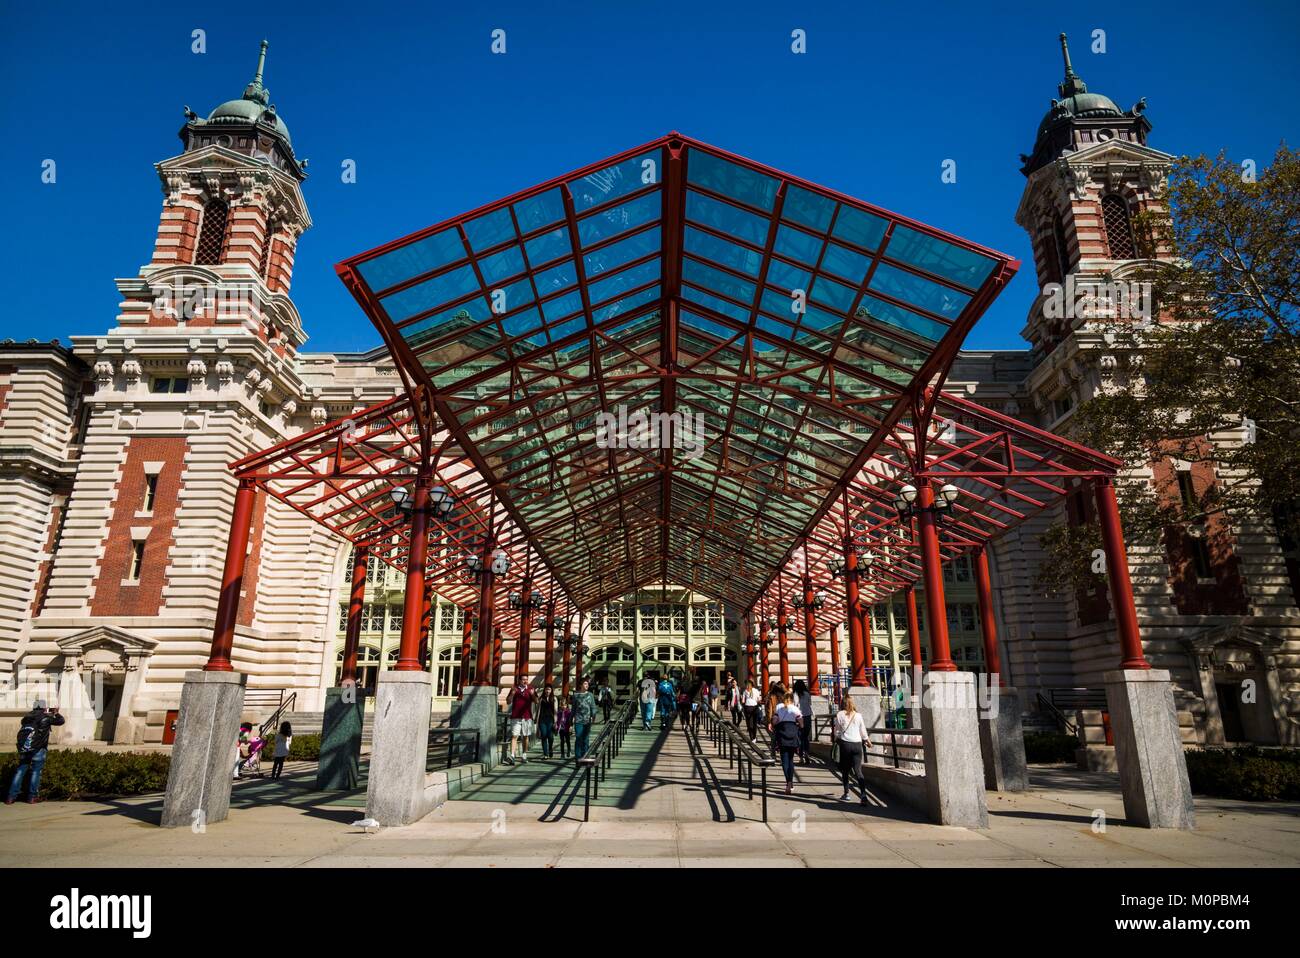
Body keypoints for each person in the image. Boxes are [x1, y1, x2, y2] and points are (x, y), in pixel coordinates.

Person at [6, 699, 65, 805]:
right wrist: (56, 713)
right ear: (43, 707)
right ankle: (32, 797)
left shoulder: (26, 718)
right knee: (36, 772)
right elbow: (61, 721)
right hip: (38, 748)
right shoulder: (46, 718)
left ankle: (10, 797)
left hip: (25, 748)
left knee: (20, 771)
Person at [833, 696, 870, 803]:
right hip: (857, 745)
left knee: (845, 770)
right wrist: (868, 741)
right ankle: (863, 795)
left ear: (842, 703)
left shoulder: (840, 715)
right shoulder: (858, 715)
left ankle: (847, 794)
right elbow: (863, 731)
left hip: (846, 745)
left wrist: (836, 739)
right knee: (858, 770)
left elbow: (837, 731)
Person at [771, 691, 804, 794]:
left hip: (782, 735)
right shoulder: (795, 709)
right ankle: (791, 782)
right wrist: (799, 726)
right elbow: (801, 723)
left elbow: (774, 721)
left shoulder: (779, 708)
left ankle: (788, 782)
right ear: (792, 700)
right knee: (791, 760)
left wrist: (775, 722)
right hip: (793, 735)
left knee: (784, 761)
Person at [504, 673, 536, 765]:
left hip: (527, 716)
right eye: (523, 679)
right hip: (516, 716)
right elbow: (508, 701)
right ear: (519, 681)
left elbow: (536, 701)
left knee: (525, 736)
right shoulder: (514, 689)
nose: (525, 681)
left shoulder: (530, 689)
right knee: (514, 736)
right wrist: (512, 694)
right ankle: (512, 756)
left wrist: (532, 695)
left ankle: (524, 755)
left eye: (526, 679)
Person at [572, 679, 597, 759]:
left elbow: (593, 707)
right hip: (578, 721)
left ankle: (585, 757)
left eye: (588, 684)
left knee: (586, 739)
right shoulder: (576, 695)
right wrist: (570, 720)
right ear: (581, 685)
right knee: (579, 738)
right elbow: (573, 709)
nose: (587, 685)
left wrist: (593, 716)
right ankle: (578, 758)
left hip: (587, 721)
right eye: (585, 684)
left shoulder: (590, 695)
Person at [792, 679, 814, 765]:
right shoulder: (807, 694)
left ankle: (801, 757)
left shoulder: (796, 694)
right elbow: (810, 704)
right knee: (806, 737)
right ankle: (807, 754)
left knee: (800, 738)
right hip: (808, 716)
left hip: (799, 717)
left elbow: (795, 706)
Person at [536, 685, 557, 760]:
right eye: (546, 689)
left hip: (550, 720)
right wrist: (537, 722)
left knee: (550, 736)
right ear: (544, 690)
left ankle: (550, 748)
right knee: (544, 736)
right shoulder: (541, 699)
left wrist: (556, 722)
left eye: (549, 689)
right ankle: (545, 754)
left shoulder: (554, 698)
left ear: (551, 690)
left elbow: (555, 711)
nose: (547, 691)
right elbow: (538, 711)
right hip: (542, 720)